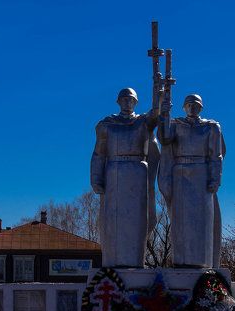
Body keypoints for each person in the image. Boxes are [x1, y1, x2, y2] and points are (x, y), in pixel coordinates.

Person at [90, 88, 159, 267]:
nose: (127, 103)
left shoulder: (143, 121)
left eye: (131, 100)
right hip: (115, 172)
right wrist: (96, 178)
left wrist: (160, 91)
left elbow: (156, 114)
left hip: (138, 172)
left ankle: (135, 261)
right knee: (114, 219)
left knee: (137, 220)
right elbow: (99, 153)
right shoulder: (108, 124)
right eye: (124, 100)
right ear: (118, 102)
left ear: (136, 103)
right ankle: (114, 261)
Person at [158, 94, 224, 268]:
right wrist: (164, 114)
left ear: (201, 108)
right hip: (180, 173)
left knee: (202, 220)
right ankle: (181, 260)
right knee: (180, 218)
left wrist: (214, 179)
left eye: (195, 105)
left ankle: (202, 261)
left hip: (201, 173)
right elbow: (164, 139)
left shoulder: (211, 127)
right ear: (184, 108)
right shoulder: (175, 125)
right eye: (189, 105)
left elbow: (216, 155)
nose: (192, 108)